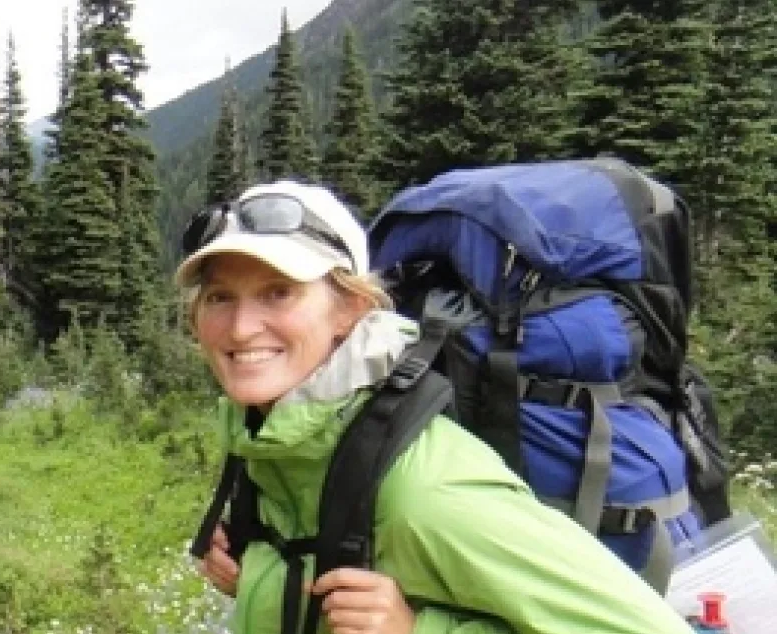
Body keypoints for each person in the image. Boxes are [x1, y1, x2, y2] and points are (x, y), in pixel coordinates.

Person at [174, 181, 694, 634]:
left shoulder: (425, 489)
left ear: (350, 310)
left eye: (278, 293)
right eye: (220, 297)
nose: (241, 328)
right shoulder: (276, 439)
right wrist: (262, 571)